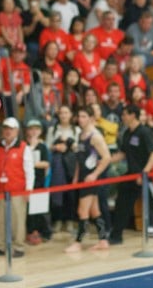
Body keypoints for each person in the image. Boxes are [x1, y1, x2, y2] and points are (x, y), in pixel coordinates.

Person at [109, 105, 153, 246]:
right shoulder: (127, 133)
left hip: (145, 176)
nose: (122, 117)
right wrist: (106, 160)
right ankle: (116, 235)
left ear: (132, 115)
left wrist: (145, 172)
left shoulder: (144, 132)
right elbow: (123, 153)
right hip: (131, 176)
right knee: (122, 203)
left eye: (124, 115)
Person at [65, 106, 111, 252]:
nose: (80, 119)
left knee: (82, 211)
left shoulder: (95, 136)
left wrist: (95, 174)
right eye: (79, 116)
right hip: (84, 177)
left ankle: (78, 242)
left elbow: (107, 157)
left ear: (91, 118)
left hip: (91, 179)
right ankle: (103, 240)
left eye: (84, 116)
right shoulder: (81, 135)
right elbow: (80, 159)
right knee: (94, 211)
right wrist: (76, 177)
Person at [0, 117, 34, 258]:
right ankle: (1, 246)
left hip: (17, 189)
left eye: (11, 129)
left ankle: (18, 246)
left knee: (18, 219)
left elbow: (29, 170)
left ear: (17, 131)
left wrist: (28, 190)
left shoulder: (24, 147)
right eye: (5, 128)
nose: (8, 131)